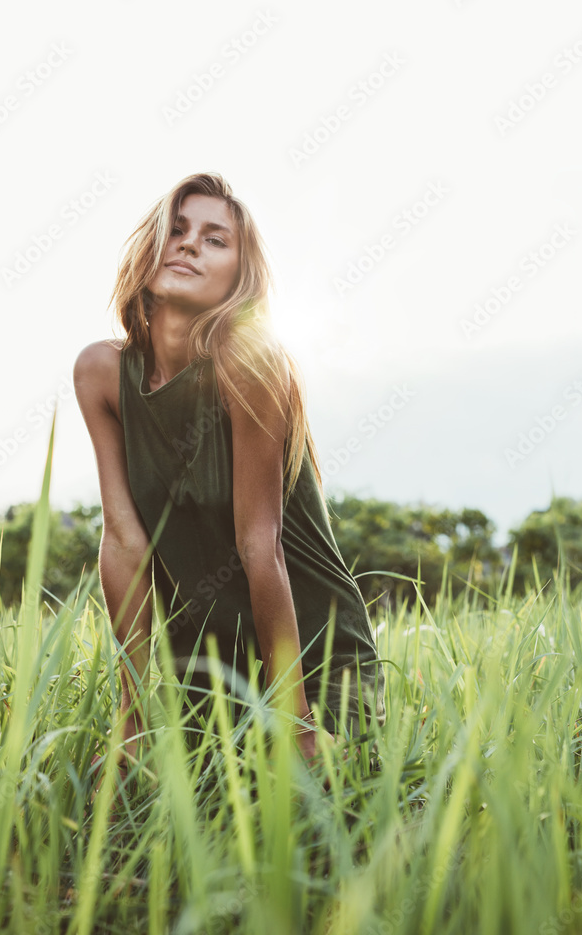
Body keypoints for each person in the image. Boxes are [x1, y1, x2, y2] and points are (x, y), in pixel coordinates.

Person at [73, 171, 386, 782]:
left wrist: (294, 722)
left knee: (320, 828)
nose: (189, 244)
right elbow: (124, 540)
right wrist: (134, 718)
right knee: (176, 824)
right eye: (178, 229)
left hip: (315, 652)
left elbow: (258, 542)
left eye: (215, 239)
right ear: (150, 248)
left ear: (238, 280)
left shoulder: (251, 362)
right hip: (206, 663)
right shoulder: (100, 373)